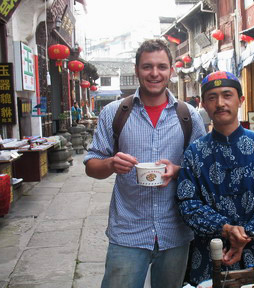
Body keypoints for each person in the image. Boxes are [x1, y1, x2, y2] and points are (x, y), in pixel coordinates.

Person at [84, 39, 206, 288]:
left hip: (175, 231)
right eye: (147, 66)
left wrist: (178, 171)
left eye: (161, 66)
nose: (154, 73)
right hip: (128, 232)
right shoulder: (115, 112)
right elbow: (91, 165)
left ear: (171, 70)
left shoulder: (188, 116)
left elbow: (203, 170)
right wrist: (110, 164)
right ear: (137, 69)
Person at [176, 71, 254, 285]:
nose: (220, 103)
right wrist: (226, 230)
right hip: (209, 259)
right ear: (203, 104)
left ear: (241, 100)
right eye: (212, 97)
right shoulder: (195, 152)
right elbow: (187, 203)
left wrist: (247, 235)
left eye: (227, 95)